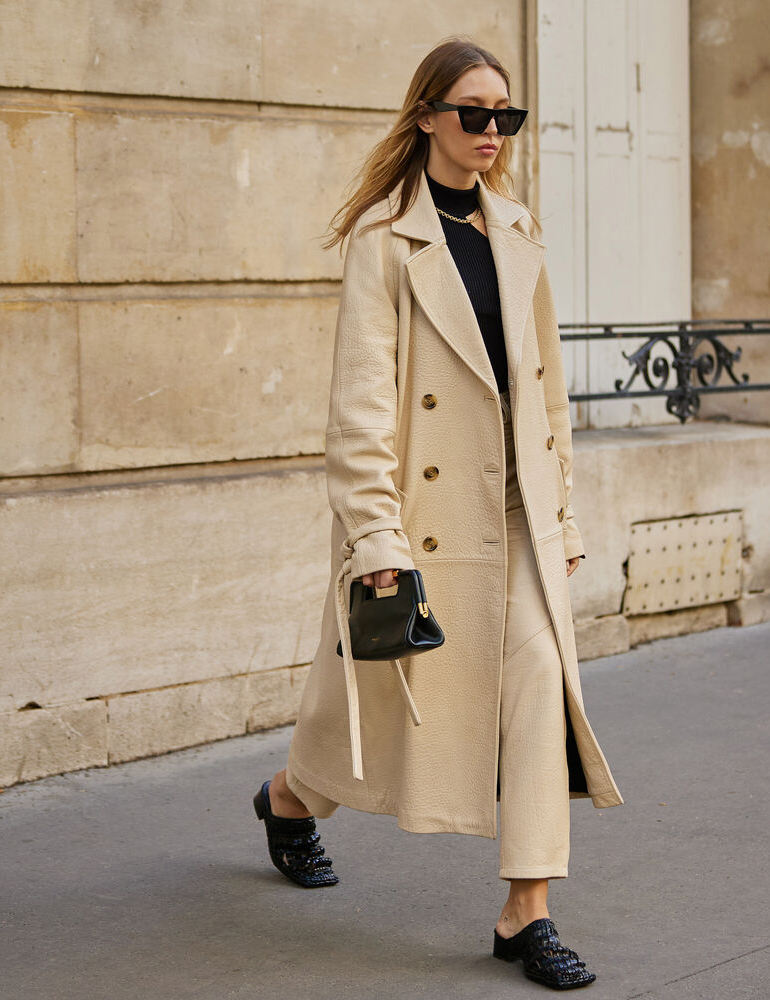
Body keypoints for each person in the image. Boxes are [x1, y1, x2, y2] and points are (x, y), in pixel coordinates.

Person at [252, 37, 623, 991]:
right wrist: (374, 536)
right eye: (473, 113)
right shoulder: (387, 240)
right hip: (420, 514)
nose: (492, 130)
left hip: (514, 508)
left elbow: (545, 395)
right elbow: (361, 407)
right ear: (427, 119)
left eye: (506, 114)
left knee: (541, 687)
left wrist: (565, 519)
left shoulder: (521, 229)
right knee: (370, 704)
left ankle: (524, 911)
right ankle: (290, 799)